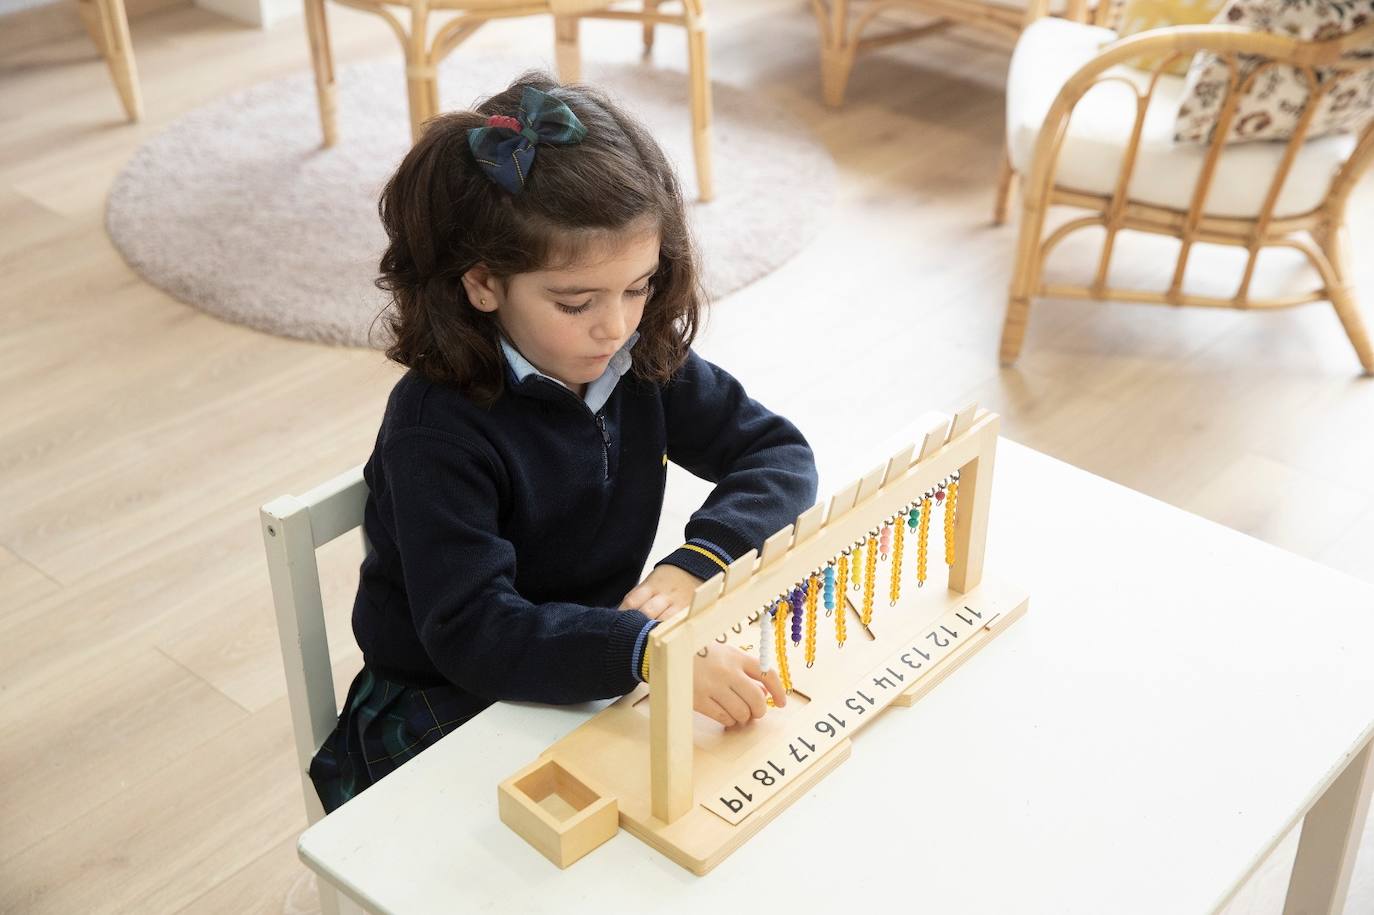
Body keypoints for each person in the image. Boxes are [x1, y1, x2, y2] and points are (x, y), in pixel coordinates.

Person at [309, 73, 819, 813]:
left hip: (592, 660)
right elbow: (474, 629)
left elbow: (777, 454)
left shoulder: (638, 359)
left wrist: (693, 565)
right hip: (448, 698)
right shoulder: (435, 428)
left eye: (639, 286)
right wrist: (641, 652)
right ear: (483, 284)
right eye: (576, 302)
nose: (615, 326)